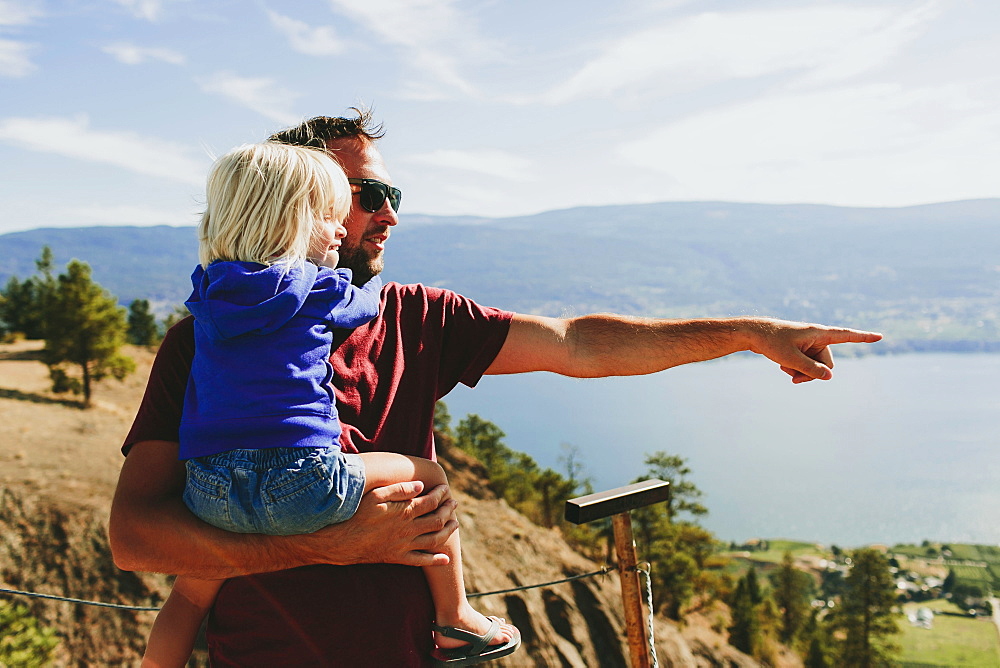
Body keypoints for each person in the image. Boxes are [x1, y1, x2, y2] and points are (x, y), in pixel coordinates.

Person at [110, 109, 882, 666]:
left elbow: (578, 343)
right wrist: (332, 543)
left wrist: (747, 333)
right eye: (363, 197)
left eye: (392, 198)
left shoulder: (418, 320)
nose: (387, 217)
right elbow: (136, 535)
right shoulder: (194, 349)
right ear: (302, 205)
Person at [140, 142, 519, 667]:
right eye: (328, 217)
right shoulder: (318, 288)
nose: (341, 230)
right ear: (293, 220)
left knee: (187, 596)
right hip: (302, 476)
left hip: (214, 490)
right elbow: (370, 303)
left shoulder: (206, 297)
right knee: (428, 475)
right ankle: (457, 620)